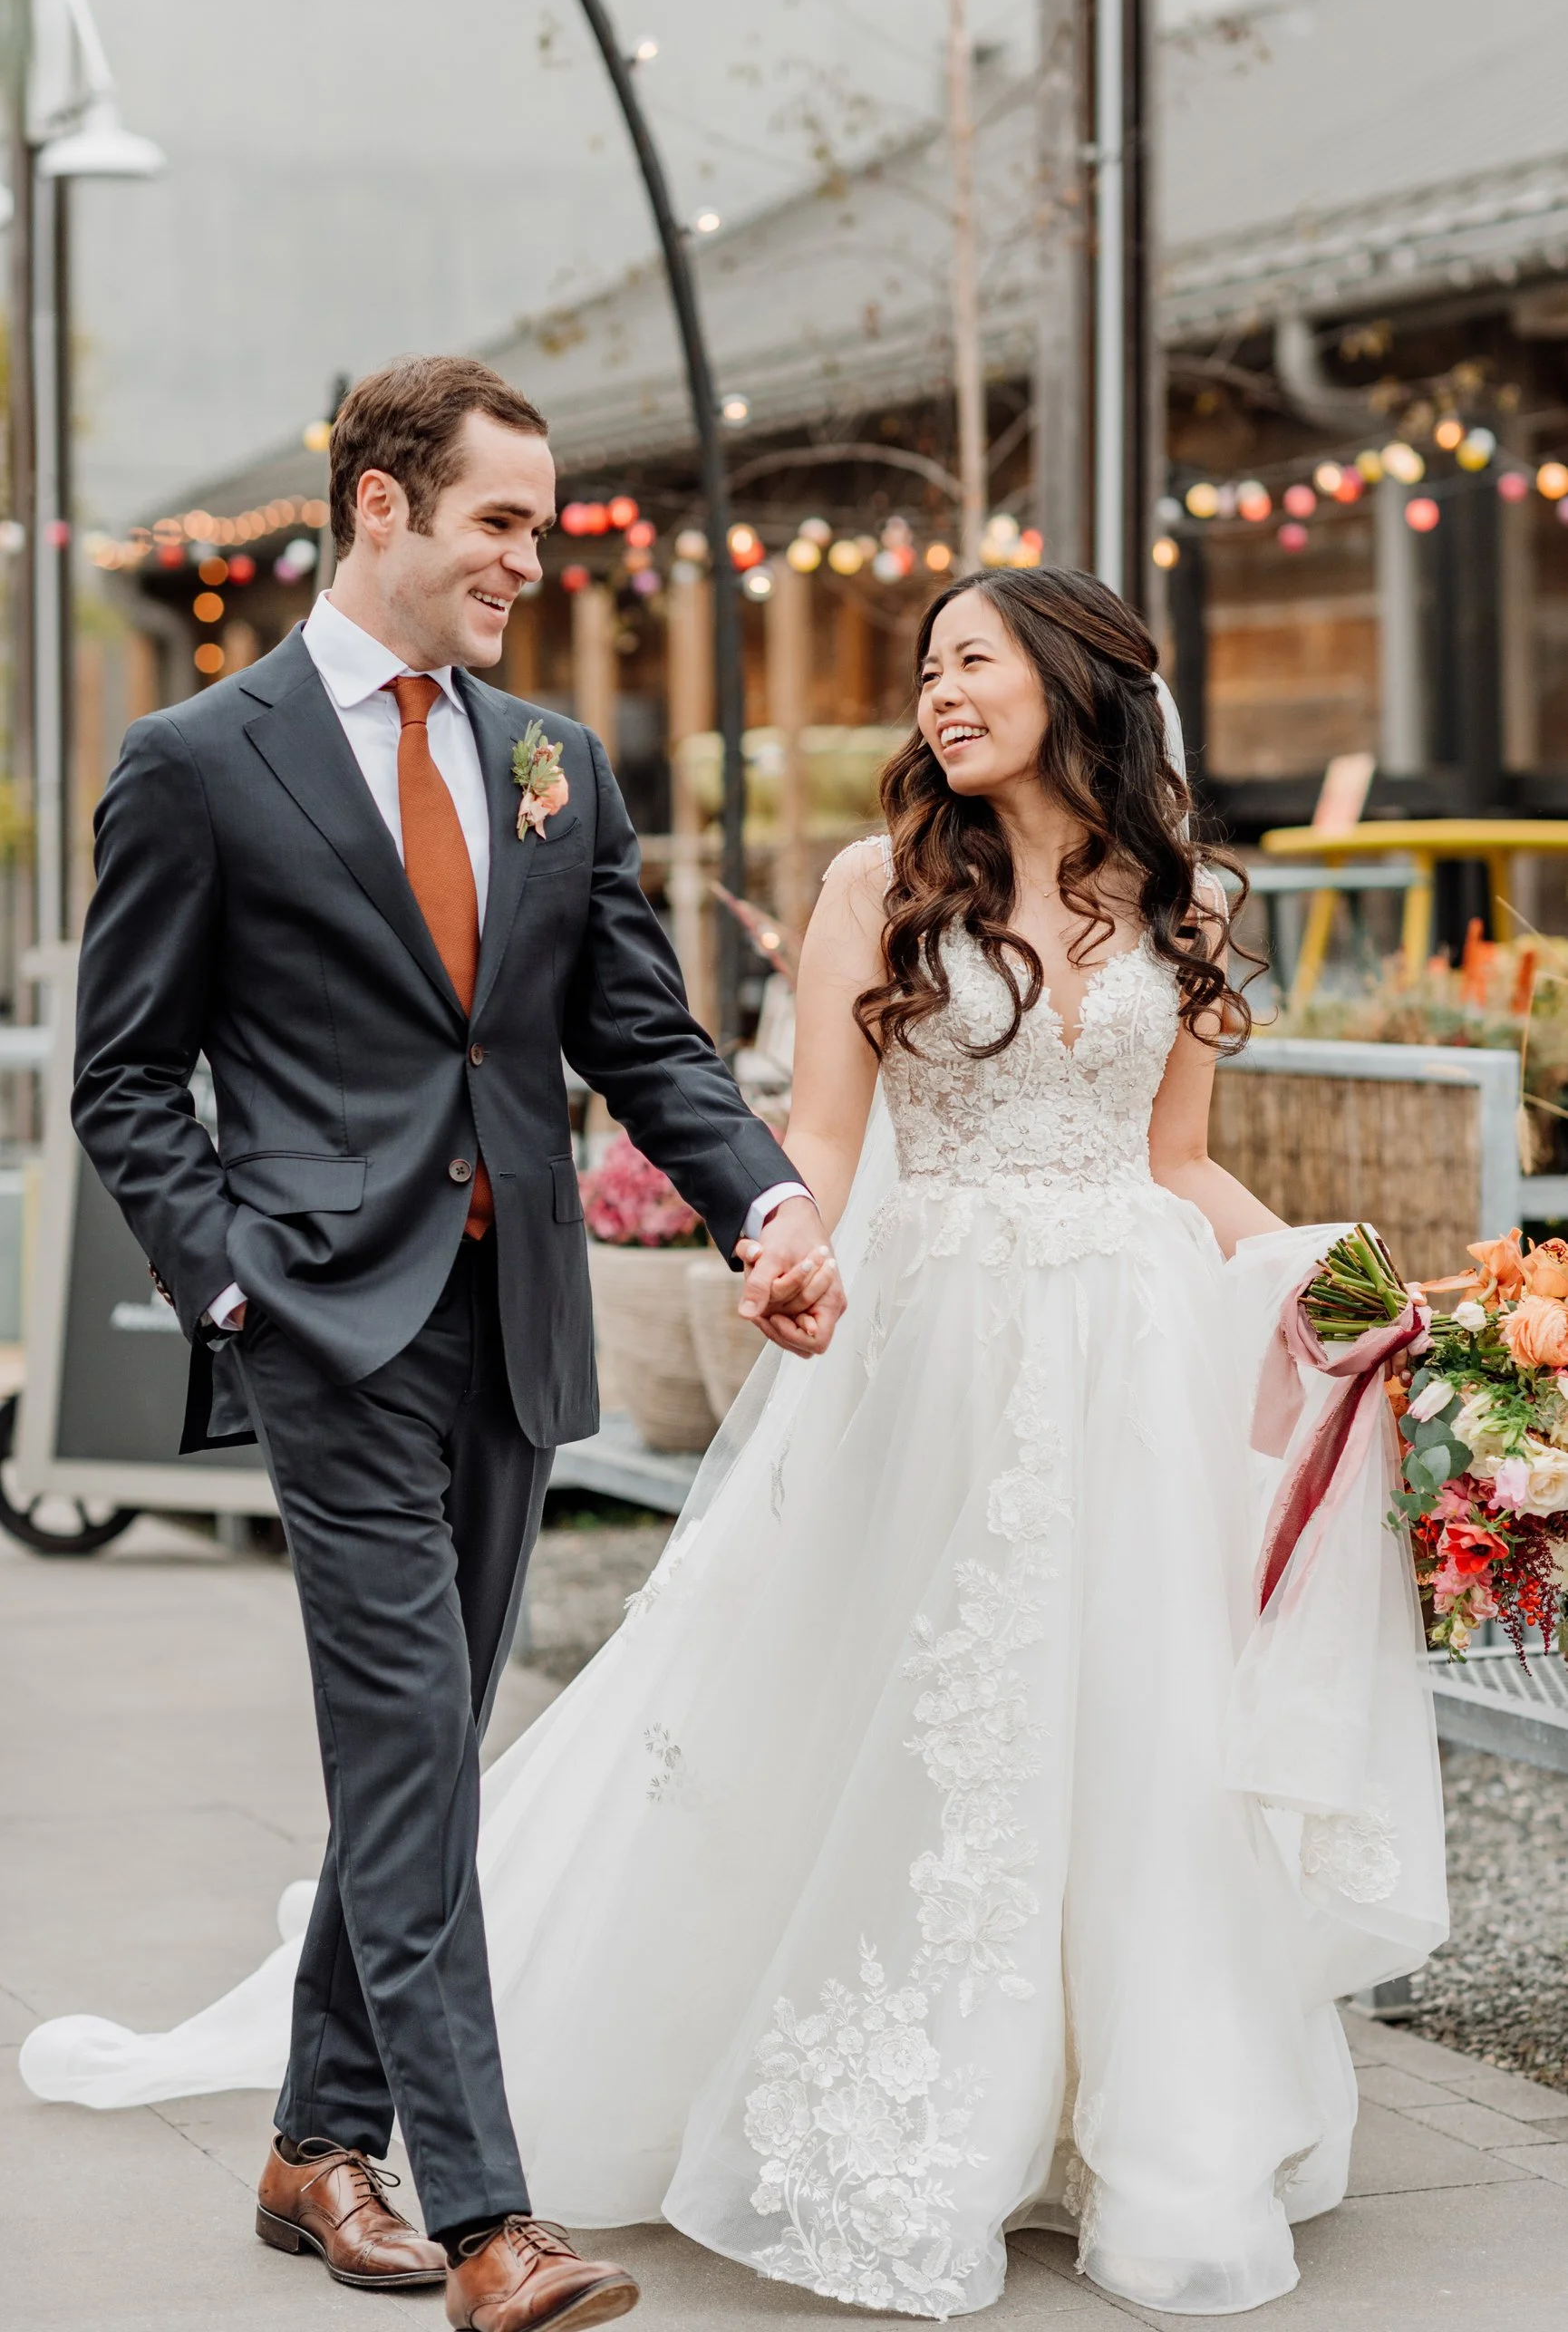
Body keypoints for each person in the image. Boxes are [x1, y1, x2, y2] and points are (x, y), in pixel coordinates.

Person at [27, 565, 1446, 2317]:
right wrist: (784, 1241)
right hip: (929, 1349)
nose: (936, 692)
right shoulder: (881, 888)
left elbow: (1179, 1165)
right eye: (924, 667)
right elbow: (826, 1145)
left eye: (971, 661)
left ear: (1076, 680)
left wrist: (1358, 1293)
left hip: (1128, 1353)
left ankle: (1113, 2110)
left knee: (1130, 1729)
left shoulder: (1177, 897)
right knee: (910, 1721)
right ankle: (779, 2120)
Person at [62, 354, 844, 2332]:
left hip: (514, 1324)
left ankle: (314, 2140)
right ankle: (492, 2220)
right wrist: (232, 1279)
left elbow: (637, 1035)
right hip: (325, 1328)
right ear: (382, 508)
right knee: (417, 1741)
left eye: (539, 519)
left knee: (418, 1766)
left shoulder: (551, 757)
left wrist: (764, 1201)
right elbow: (130, 1077)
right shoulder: (196, 760)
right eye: (499, 518)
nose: (532, 554)